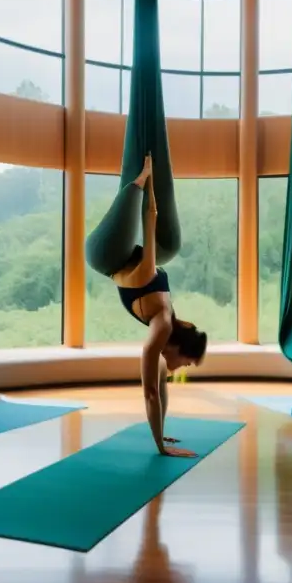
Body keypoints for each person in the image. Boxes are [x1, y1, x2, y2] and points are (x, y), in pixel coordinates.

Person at [110, 154, 207, 458]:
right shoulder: (163, 325)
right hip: (105, 251)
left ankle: (160, 432)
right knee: (157, 376)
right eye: (187, 362)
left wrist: (161, 434)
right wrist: (147, 179)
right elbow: (149, 392)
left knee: (161, 372)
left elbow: (159, 387)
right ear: (178, 347)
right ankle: (137, 180)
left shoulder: (167, 319)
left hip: (125, 254)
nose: (184, 368)